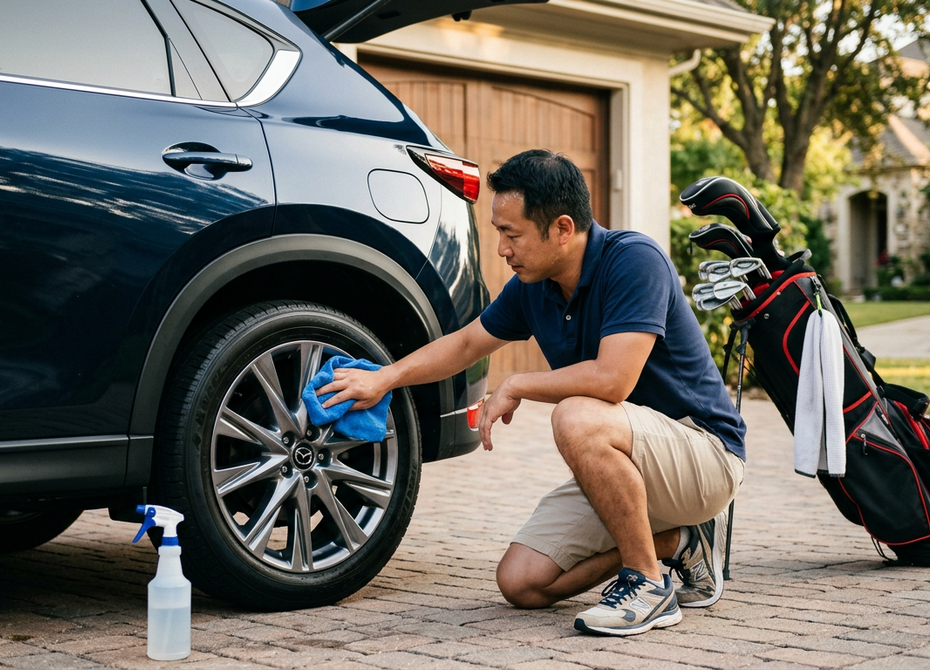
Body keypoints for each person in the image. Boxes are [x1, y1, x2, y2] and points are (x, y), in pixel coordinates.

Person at [318, 149, 746, 636]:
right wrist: (384, 378)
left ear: (562, 229)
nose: (502, 248)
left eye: (511, 234)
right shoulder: (534, 285)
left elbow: (613, 380)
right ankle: (674, 543)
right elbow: (466, 342)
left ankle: (648, 584)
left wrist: (518, 383)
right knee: (521, 583)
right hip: (631, 464)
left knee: (576, 415)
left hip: (704, 456)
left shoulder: (633, 260)